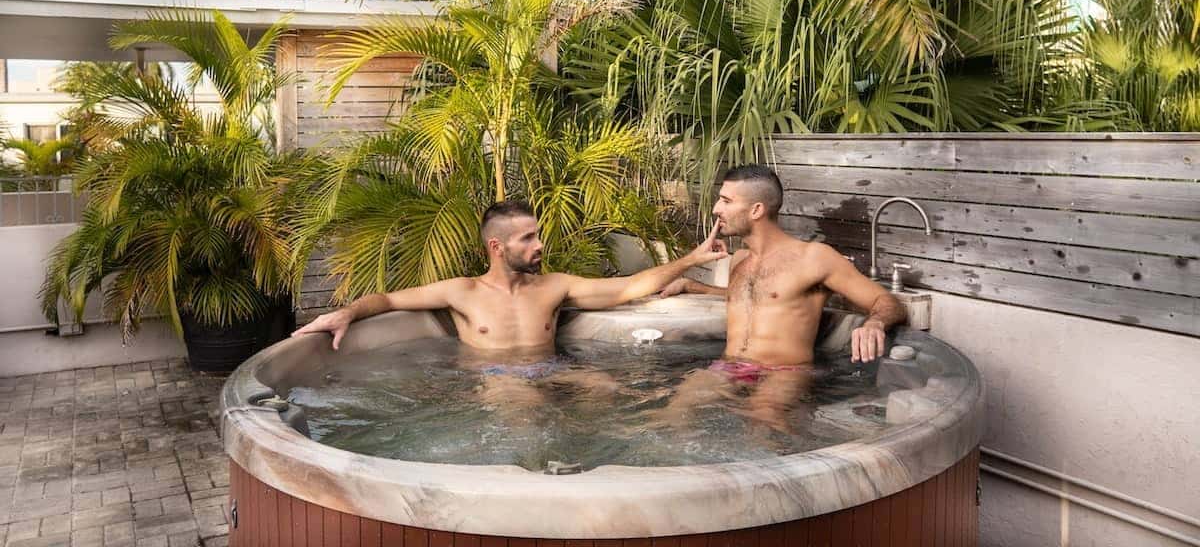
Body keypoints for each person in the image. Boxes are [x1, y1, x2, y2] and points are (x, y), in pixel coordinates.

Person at [293, 199, 728, 356]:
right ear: (497, 247)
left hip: (552, 381)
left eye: (537, 235)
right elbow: (387, 301)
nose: (539, 245)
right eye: (528, 239)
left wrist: (691, 259)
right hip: (492, 390)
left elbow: (632, 286)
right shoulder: (461, 292)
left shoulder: (555, 286)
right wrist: (345, 313)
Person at [657, 164, 906, 431]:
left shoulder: (814, 257)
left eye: (726, 201)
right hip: (730, 366)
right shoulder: (739, 260)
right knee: (674, 412)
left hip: (785, 373)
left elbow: (888, 302)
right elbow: (759, 302)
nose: (716, 209)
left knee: (764, 419)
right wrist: (693, 286)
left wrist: (874, 324)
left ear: (757, 210)